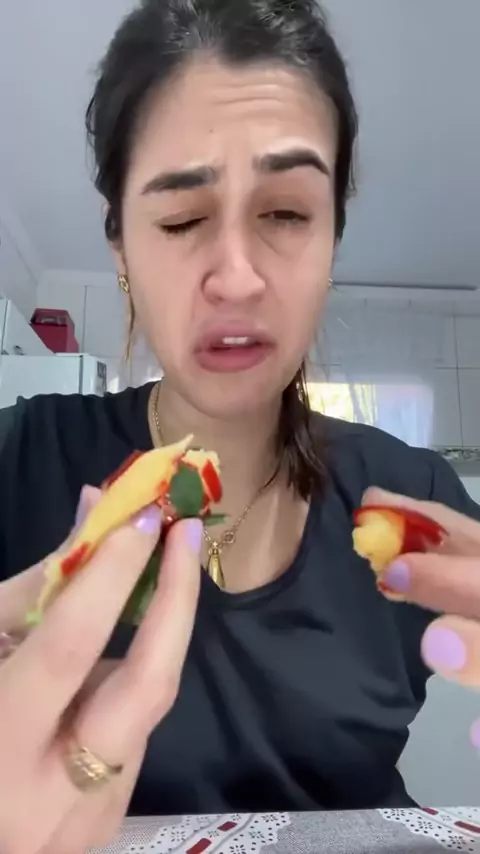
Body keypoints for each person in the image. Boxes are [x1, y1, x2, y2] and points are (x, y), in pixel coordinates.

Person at [1, 0, 480, 851]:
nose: (237, 277)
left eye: (287, 213)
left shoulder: (414, 497)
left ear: (332, 238)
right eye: (182, 219)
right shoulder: (17, 460)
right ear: (120, 247)